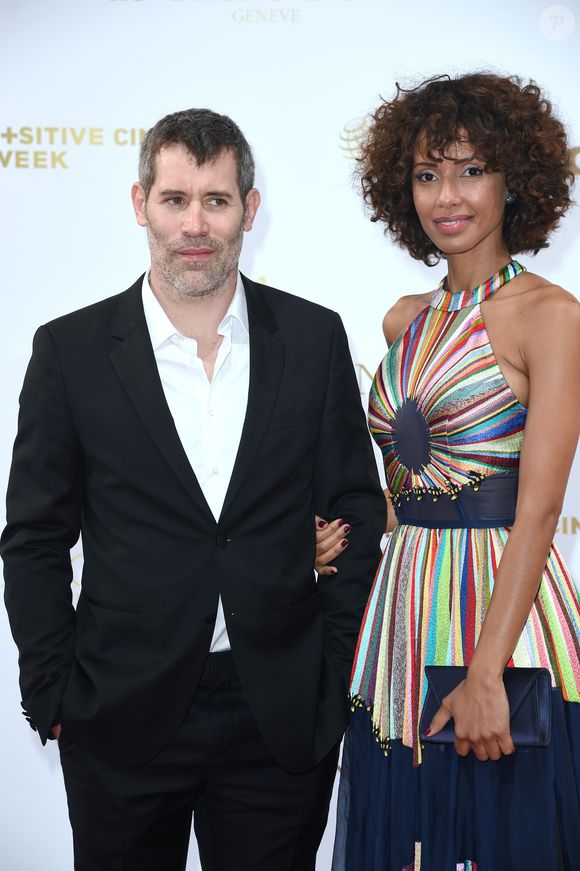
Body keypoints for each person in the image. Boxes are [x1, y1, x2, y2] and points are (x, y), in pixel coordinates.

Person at [1, 108, 386, 871]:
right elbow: (35, 537)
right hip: (119, 714)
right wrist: (53, 693)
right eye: (176, 200)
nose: (196, 225)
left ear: (250, 207)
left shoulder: (312, 339)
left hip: (277, 715)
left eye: (216, 200)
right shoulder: (70, 351)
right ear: (141, 203)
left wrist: (330, 671)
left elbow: (356, 508)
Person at [320, 73, 580, 871]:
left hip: (503, 612)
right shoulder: (404, 317)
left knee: (504, 838)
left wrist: (487, 671)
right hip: (402, 611)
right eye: (427, 174)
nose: (447, 195)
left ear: (515, 180)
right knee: (410, 843)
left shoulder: (551, 317)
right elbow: (395, 489)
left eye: (471, 169)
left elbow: (538, 511)